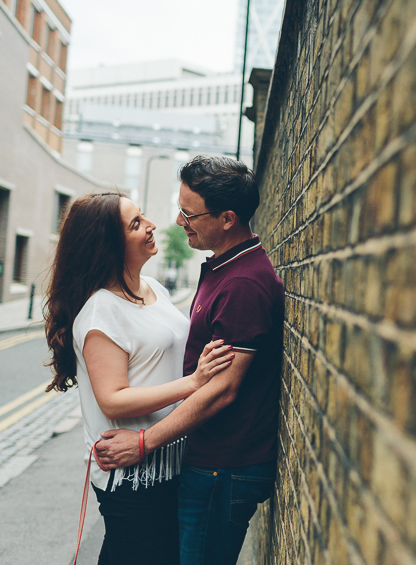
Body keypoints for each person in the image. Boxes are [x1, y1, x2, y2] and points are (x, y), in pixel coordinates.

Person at [95, 156, 285, 565]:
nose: (179, 221)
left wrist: (143, 442)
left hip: (225, 468)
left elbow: (222, 390)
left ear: (228, 218)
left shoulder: (243, 284)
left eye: (189, 212)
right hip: (210, 461)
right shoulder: (223, 267)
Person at [44, 192, 235, 565]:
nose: (151, 226)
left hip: (167, 463)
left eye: (143, 216)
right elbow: (112, 398)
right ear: (109, 245)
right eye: (135, 224)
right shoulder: (101, 312)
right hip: (132, 480)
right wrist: (194, 383)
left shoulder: (154, 290)